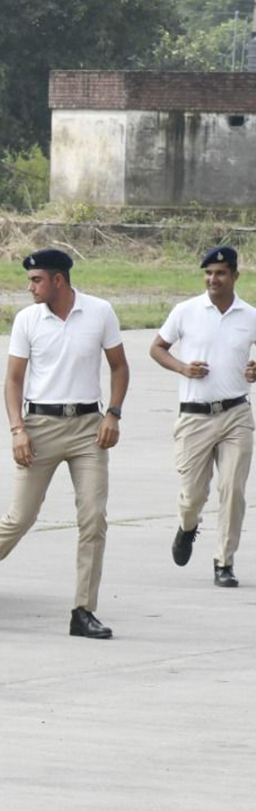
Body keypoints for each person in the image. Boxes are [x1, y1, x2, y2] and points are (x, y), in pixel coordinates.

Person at [0, 249, 129, 638]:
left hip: (88, 428)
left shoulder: (100, 312)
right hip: (39, 427)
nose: (30, 287)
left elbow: (119, 366)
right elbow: (13, 380)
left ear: (58, 280)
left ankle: (83, 611)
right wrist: (17, 429)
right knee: (20, 517)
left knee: (93, 519)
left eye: (36, 280)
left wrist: (113, 414)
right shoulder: (27, 320)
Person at [149, 246, 256, 589]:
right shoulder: (186, 311)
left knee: (233, 489)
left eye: (220, 273)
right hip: (195, 417)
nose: (213, 279)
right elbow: (157, 348)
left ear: (235, 276)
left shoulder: (249, 316)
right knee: (193, 494)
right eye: (208, 273)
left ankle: (224, 561)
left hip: (236, 415)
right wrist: (183, 367)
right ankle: (188, 525)